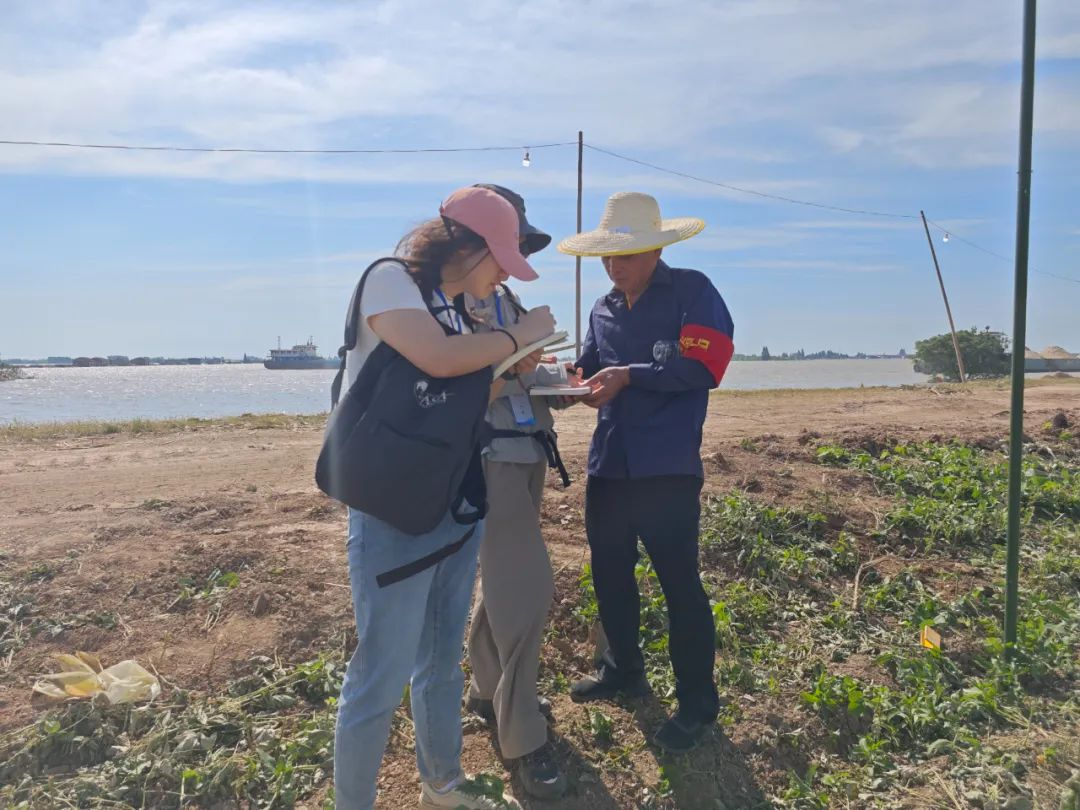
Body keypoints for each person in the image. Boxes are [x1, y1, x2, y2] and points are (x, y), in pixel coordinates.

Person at [333, 186, 556, 810]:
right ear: (469, 246)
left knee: (441, 661)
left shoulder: (457, 310)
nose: (502, 278)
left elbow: (455, 398)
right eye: (500, 262)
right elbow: (438, 359)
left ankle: (443, 785)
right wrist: (520, 335)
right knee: (380, 675)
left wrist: (508, 369)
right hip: (391, 508)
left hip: (454, 501)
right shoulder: (390, 282)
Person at [557, 191, 735, 753]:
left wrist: (628, 375)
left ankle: (697, 705)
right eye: (608, 257)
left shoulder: (692, 291)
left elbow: (705, 366)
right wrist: (569, 378)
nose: (615, 266)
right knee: (610, 573)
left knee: (680, 584)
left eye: (627, 255)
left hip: (667, 468)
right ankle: (623, 669)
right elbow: (591, 364)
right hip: (610, 464)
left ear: (657, 250)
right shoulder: (603, 308)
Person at [459, 185, 568, 800]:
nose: (514, 257)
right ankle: (523, 738)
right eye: (509, 245)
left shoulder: (503, 298)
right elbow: (460, 387)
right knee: (527, 590)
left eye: (521, 245)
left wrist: (555, 378)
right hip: (491, 460)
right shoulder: (447, 307)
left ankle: (485, 688)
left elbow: (517, 377)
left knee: (503, 585)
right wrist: (514, 369)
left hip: (526, 453)